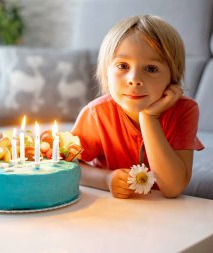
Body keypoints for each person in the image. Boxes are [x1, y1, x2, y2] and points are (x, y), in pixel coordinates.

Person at [71, 15, 204, 199]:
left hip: (166, 213)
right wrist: (106, 179)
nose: (134, 79)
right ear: (106, 72)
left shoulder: (184, 110)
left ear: (172, 78)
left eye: (151, 68)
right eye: (123, 65)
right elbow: (67, 166)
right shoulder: (97, 113)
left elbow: (173, 187)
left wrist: (149, 118)